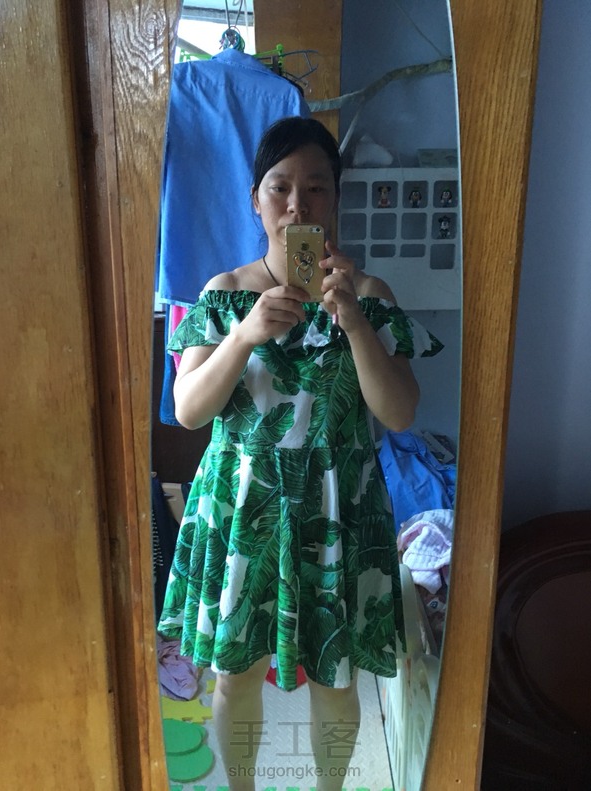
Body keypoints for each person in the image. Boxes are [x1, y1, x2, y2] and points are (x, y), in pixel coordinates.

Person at [158, 116, 443, 790]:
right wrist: (244, 335)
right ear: (255, 199)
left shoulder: (368, 296)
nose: (297, 205)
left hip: (337, 511)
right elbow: (189, 409)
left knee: (335, 680)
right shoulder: (223, 293)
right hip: (242, 509)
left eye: (315, 188)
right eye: (280, 187)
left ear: (334, 200)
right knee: (236, 676)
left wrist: (354, 324)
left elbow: (399, 412)